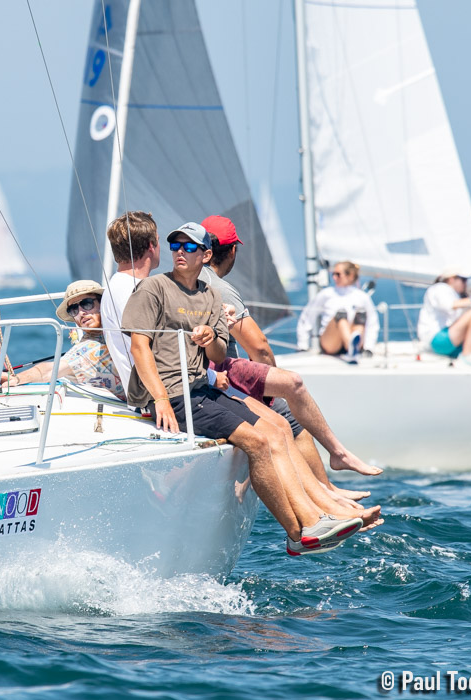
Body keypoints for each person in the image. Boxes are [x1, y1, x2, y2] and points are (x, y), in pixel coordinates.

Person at [121, 221, 381, 555]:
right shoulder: (154, 288)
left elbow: (215, 354)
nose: (180, 253)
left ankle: (316, 515)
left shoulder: (210, 295)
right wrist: (160, 400)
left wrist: (210, 338)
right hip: (174, 393)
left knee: (278, 427)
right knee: (258, 442)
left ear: (206, 254)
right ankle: (299, 530)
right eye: (175, 247)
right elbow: (139, 347)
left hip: (202, 386)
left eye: (188, 247)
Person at [201, 216, 380, 480]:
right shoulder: (221, 289)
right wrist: (269, 386)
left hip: (207, 378)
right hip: (220, 379)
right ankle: (327, 489)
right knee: (288, 412)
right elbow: (259, 348)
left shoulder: (185, 281)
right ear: (233, 251)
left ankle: (332, 473)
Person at [0, 280, 124, 398]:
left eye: (87, 303)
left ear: (102, 303)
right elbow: (51, 369)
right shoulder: (86, 348)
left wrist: (17, 378)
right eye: (73, 309)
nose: (80, 312)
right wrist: (17, 379)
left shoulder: (122, 327)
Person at [100, 211, 161, 392]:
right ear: (151, 245)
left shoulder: (117, 285)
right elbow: (160, 350)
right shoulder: (133, 290)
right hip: (156, 395)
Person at [296, 261, 379, 359]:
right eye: (333, 274)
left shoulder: (362, 297)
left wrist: (368, 347)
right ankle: (351, 347)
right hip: (331, 344)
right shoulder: (326, 294)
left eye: (338, 274)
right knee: (341, 315)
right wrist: (303, 345)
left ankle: (352, 348)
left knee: (360, 315)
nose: (334, 277)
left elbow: (372, 323)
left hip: (357, 343)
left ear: (351, 276)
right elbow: (307, 317)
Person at [416, 267, 471, 367]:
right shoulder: (440, 288)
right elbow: (449, 305)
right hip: (436, 340)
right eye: (463, 280)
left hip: (450, 340)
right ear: (451, 279)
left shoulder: (453, 294)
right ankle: (467, 353)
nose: (465, 283)